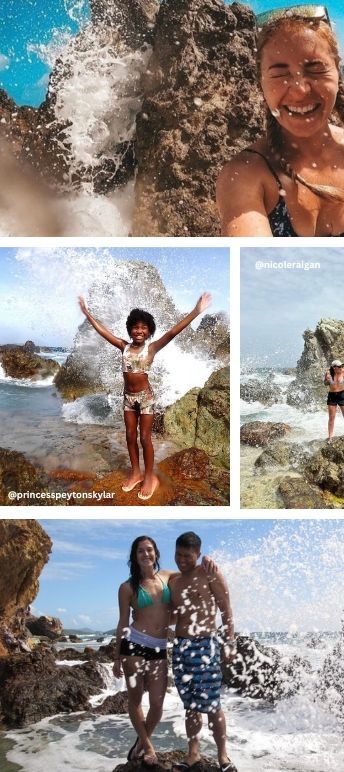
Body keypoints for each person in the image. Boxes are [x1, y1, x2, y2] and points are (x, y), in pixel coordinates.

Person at [216, 5, 344, 237]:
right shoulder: (245, 176)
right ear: (261, 81)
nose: (300, 90)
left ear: (338, 74)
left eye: (315, 69)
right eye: (280, 73)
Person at [78, 292, 212, 501]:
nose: (139, 331)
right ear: (130, 329)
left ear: (149, 331)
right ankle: (135, 472)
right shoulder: (123, 346)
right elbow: (104, 332)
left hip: (146, 398)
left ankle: (149, 477)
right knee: (130, 436)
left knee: (144, 438)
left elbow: (173, 331)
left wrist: (196, 311)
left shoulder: (151, 348)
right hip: (128, 399)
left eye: (143, 328)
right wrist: (87, 313)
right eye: (135, 327)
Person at [113, 536, 217, 766]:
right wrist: (117, 657)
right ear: (135, 556)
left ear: (156, 553)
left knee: (158, 704)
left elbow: (193, 570)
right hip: (134, 646)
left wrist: (207, 559)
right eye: (140, 551)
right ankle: (147, 745)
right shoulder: (127, 587)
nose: (146, 554)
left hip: (159, 647)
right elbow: (122, 622)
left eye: (149, 550)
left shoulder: (168, 576)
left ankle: (140, 741)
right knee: (136, 700)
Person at [169, 532, 237, 772]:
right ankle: (193, 754)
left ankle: (223, 757)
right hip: (181, 648)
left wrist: (230, 642)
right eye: (178, 554)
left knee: (213, 705)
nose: (181, 560)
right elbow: (171, 614)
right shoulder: (173, 580)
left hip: (204, 646)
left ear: (198, 554)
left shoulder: (209, 571)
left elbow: (226, 608)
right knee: (190, 705)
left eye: (187, 556)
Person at [323, 359, 344, 440]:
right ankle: (330, 436)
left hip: (342, 395)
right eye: (339, 366)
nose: (341, 367)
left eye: (341, 366)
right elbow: (325, 384)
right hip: (332, 396)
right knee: (331, 417)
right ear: (334, 367)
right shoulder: (328, 373)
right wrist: (327, 381)